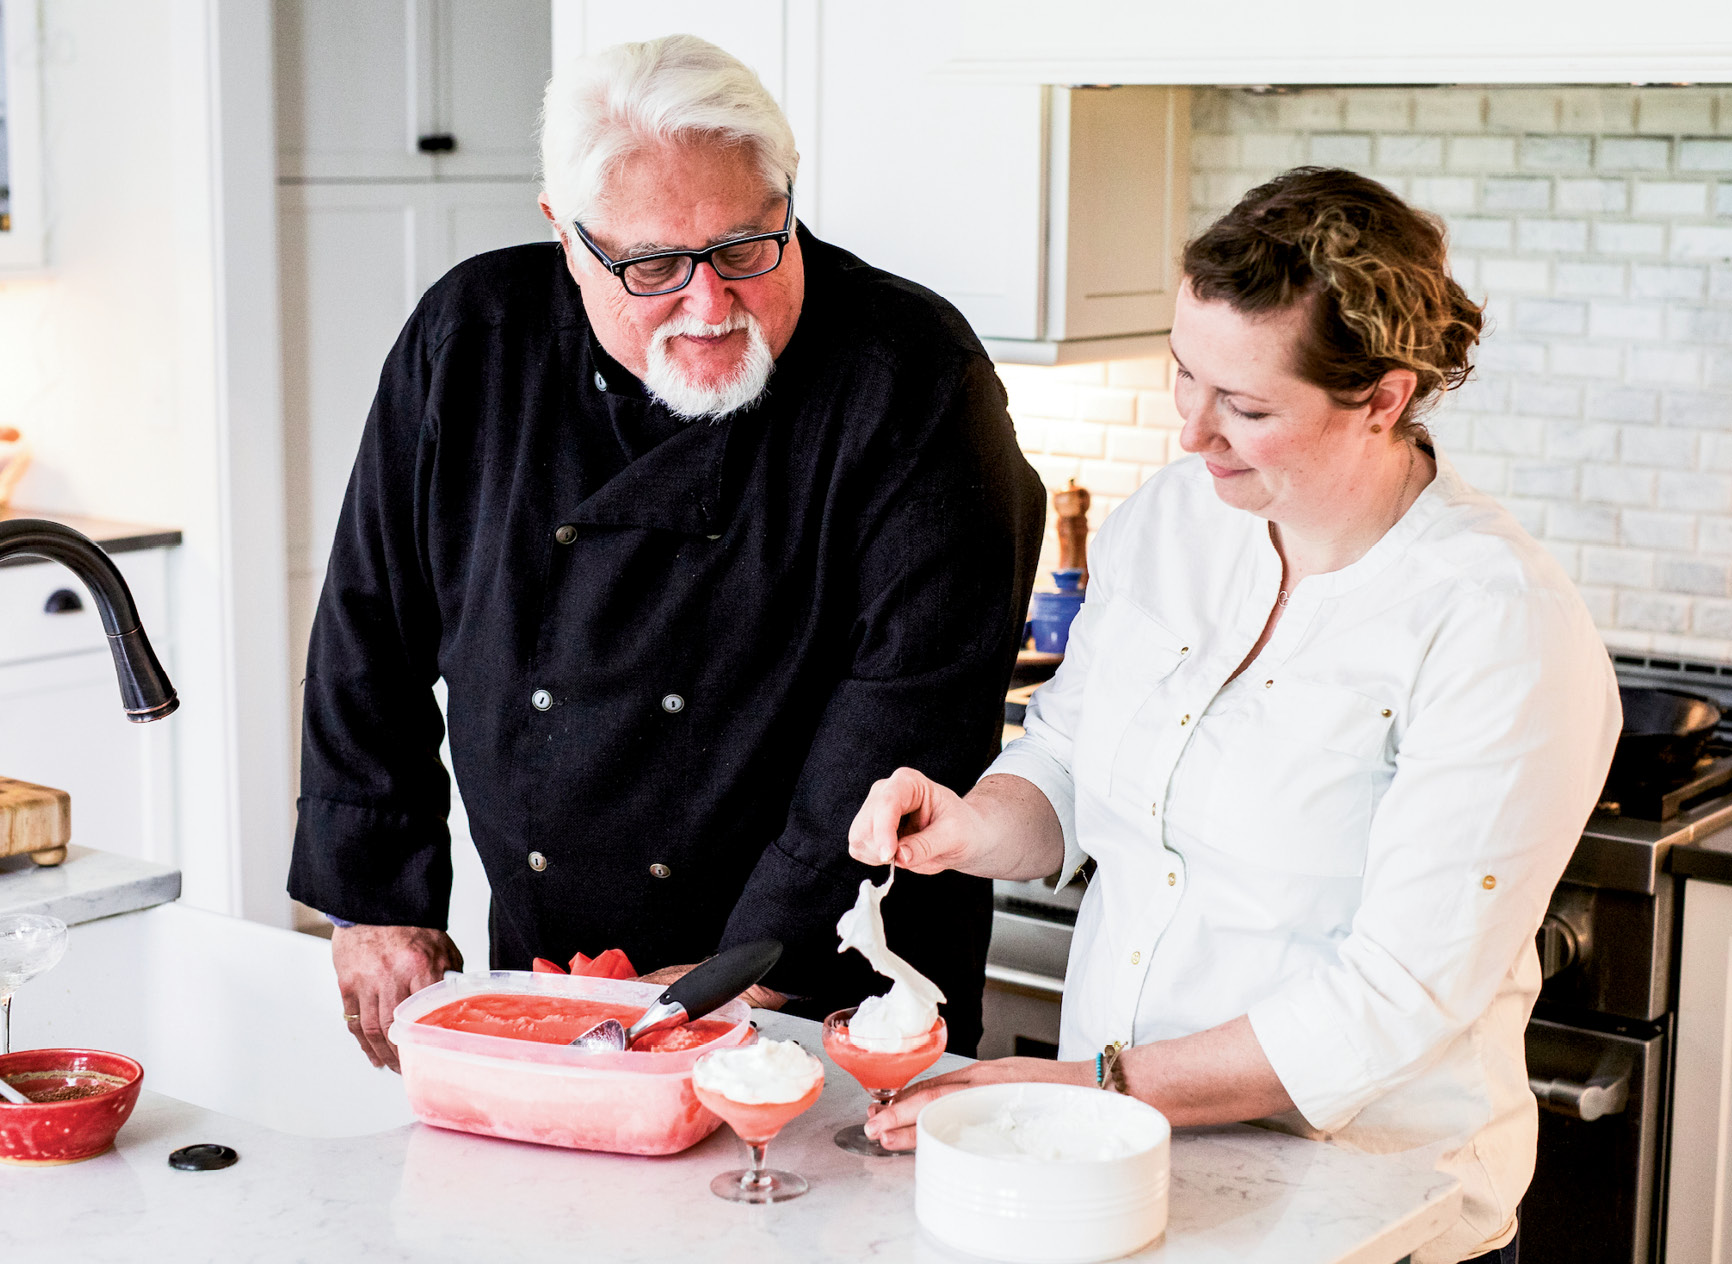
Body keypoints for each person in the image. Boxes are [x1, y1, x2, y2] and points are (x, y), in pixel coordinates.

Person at [849, 168, 1619, 1264]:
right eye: (1184, 374)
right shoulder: (1173, 521)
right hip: (1116, 1174)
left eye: (1247, 408)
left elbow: (1393, 995)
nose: (1192, 432)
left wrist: (1087, 1086)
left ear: (1383, 397)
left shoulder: (1497, 621)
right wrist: (972, 823)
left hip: (1367, 1211)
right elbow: (1066, 756)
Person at [289, 35, 1044, 1071]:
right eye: (651, 266)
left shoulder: (910, 376)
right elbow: (370, 621)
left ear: (788, 203)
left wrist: (729, 982)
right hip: (562, 979)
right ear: (566, 237)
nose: (709, 304)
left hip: (833, 991)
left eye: (746, 247)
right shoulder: (473, 339)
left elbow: (910, 713)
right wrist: (375, 900)